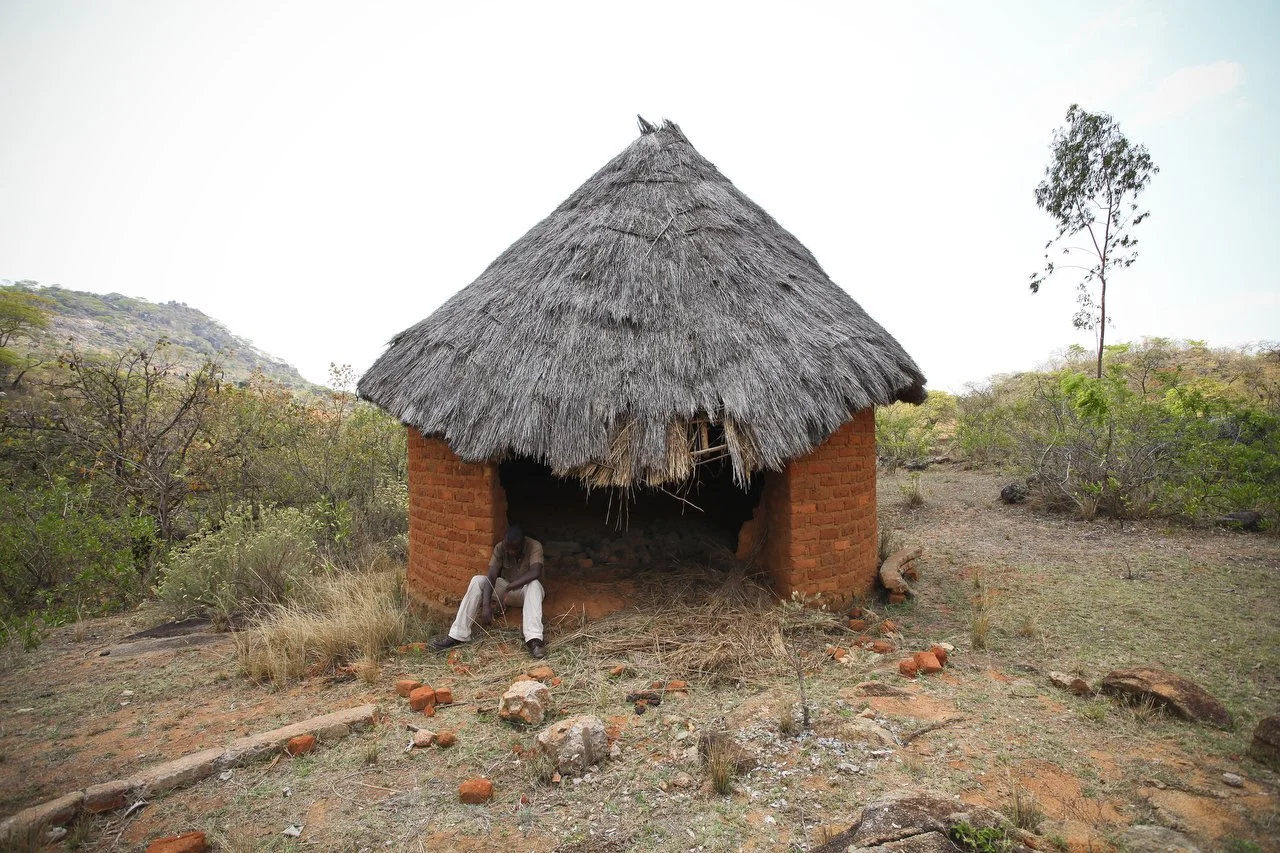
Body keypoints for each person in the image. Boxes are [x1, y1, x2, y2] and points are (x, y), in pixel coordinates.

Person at [431, 524, 547, 659]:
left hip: (525, 592)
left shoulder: (534, 546)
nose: (509, 551)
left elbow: (535, 572)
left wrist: (509, 588)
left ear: (522, 543)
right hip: (506, 589)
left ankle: (534, 640)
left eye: (514, 549)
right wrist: (486, 605)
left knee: (534, 584)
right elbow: (491, 576)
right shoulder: (501, 547)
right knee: (477, 580)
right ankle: (458, 635)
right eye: (507, 547)